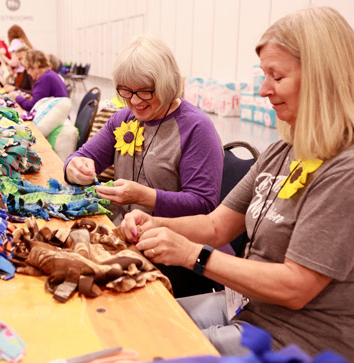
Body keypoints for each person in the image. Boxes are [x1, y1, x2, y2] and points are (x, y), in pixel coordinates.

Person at [119, 7, 354, 359]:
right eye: (264, 76)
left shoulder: (344, 172)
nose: (263, 90)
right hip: (249, 311)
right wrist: (156, 223)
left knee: (143, 348)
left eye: (276, 76)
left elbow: (296, 287)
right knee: (130, 322)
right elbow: (216, 225)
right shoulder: (281, 151)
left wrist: (191, 255)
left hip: (296, 341)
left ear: (323, 77)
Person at [64, 35, 223, 297]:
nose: (135, 101)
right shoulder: (124, 118)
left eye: (145, 91)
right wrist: (74, 168)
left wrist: (145, 197)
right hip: (123, 240)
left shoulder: (196, 128)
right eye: (125, 91)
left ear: (168, 83)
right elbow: (81, 157)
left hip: (172, 255)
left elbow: (204, 205)